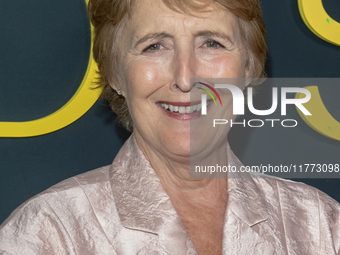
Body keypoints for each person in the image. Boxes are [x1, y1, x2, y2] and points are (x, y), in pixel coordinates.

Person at [0, 0, 340, 254]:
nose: (185, 77)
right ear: (116, 73)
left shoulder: (322, 225)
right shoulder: (48, 232)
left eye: (211, 43)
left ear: (249, 67)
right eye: (154, 46)